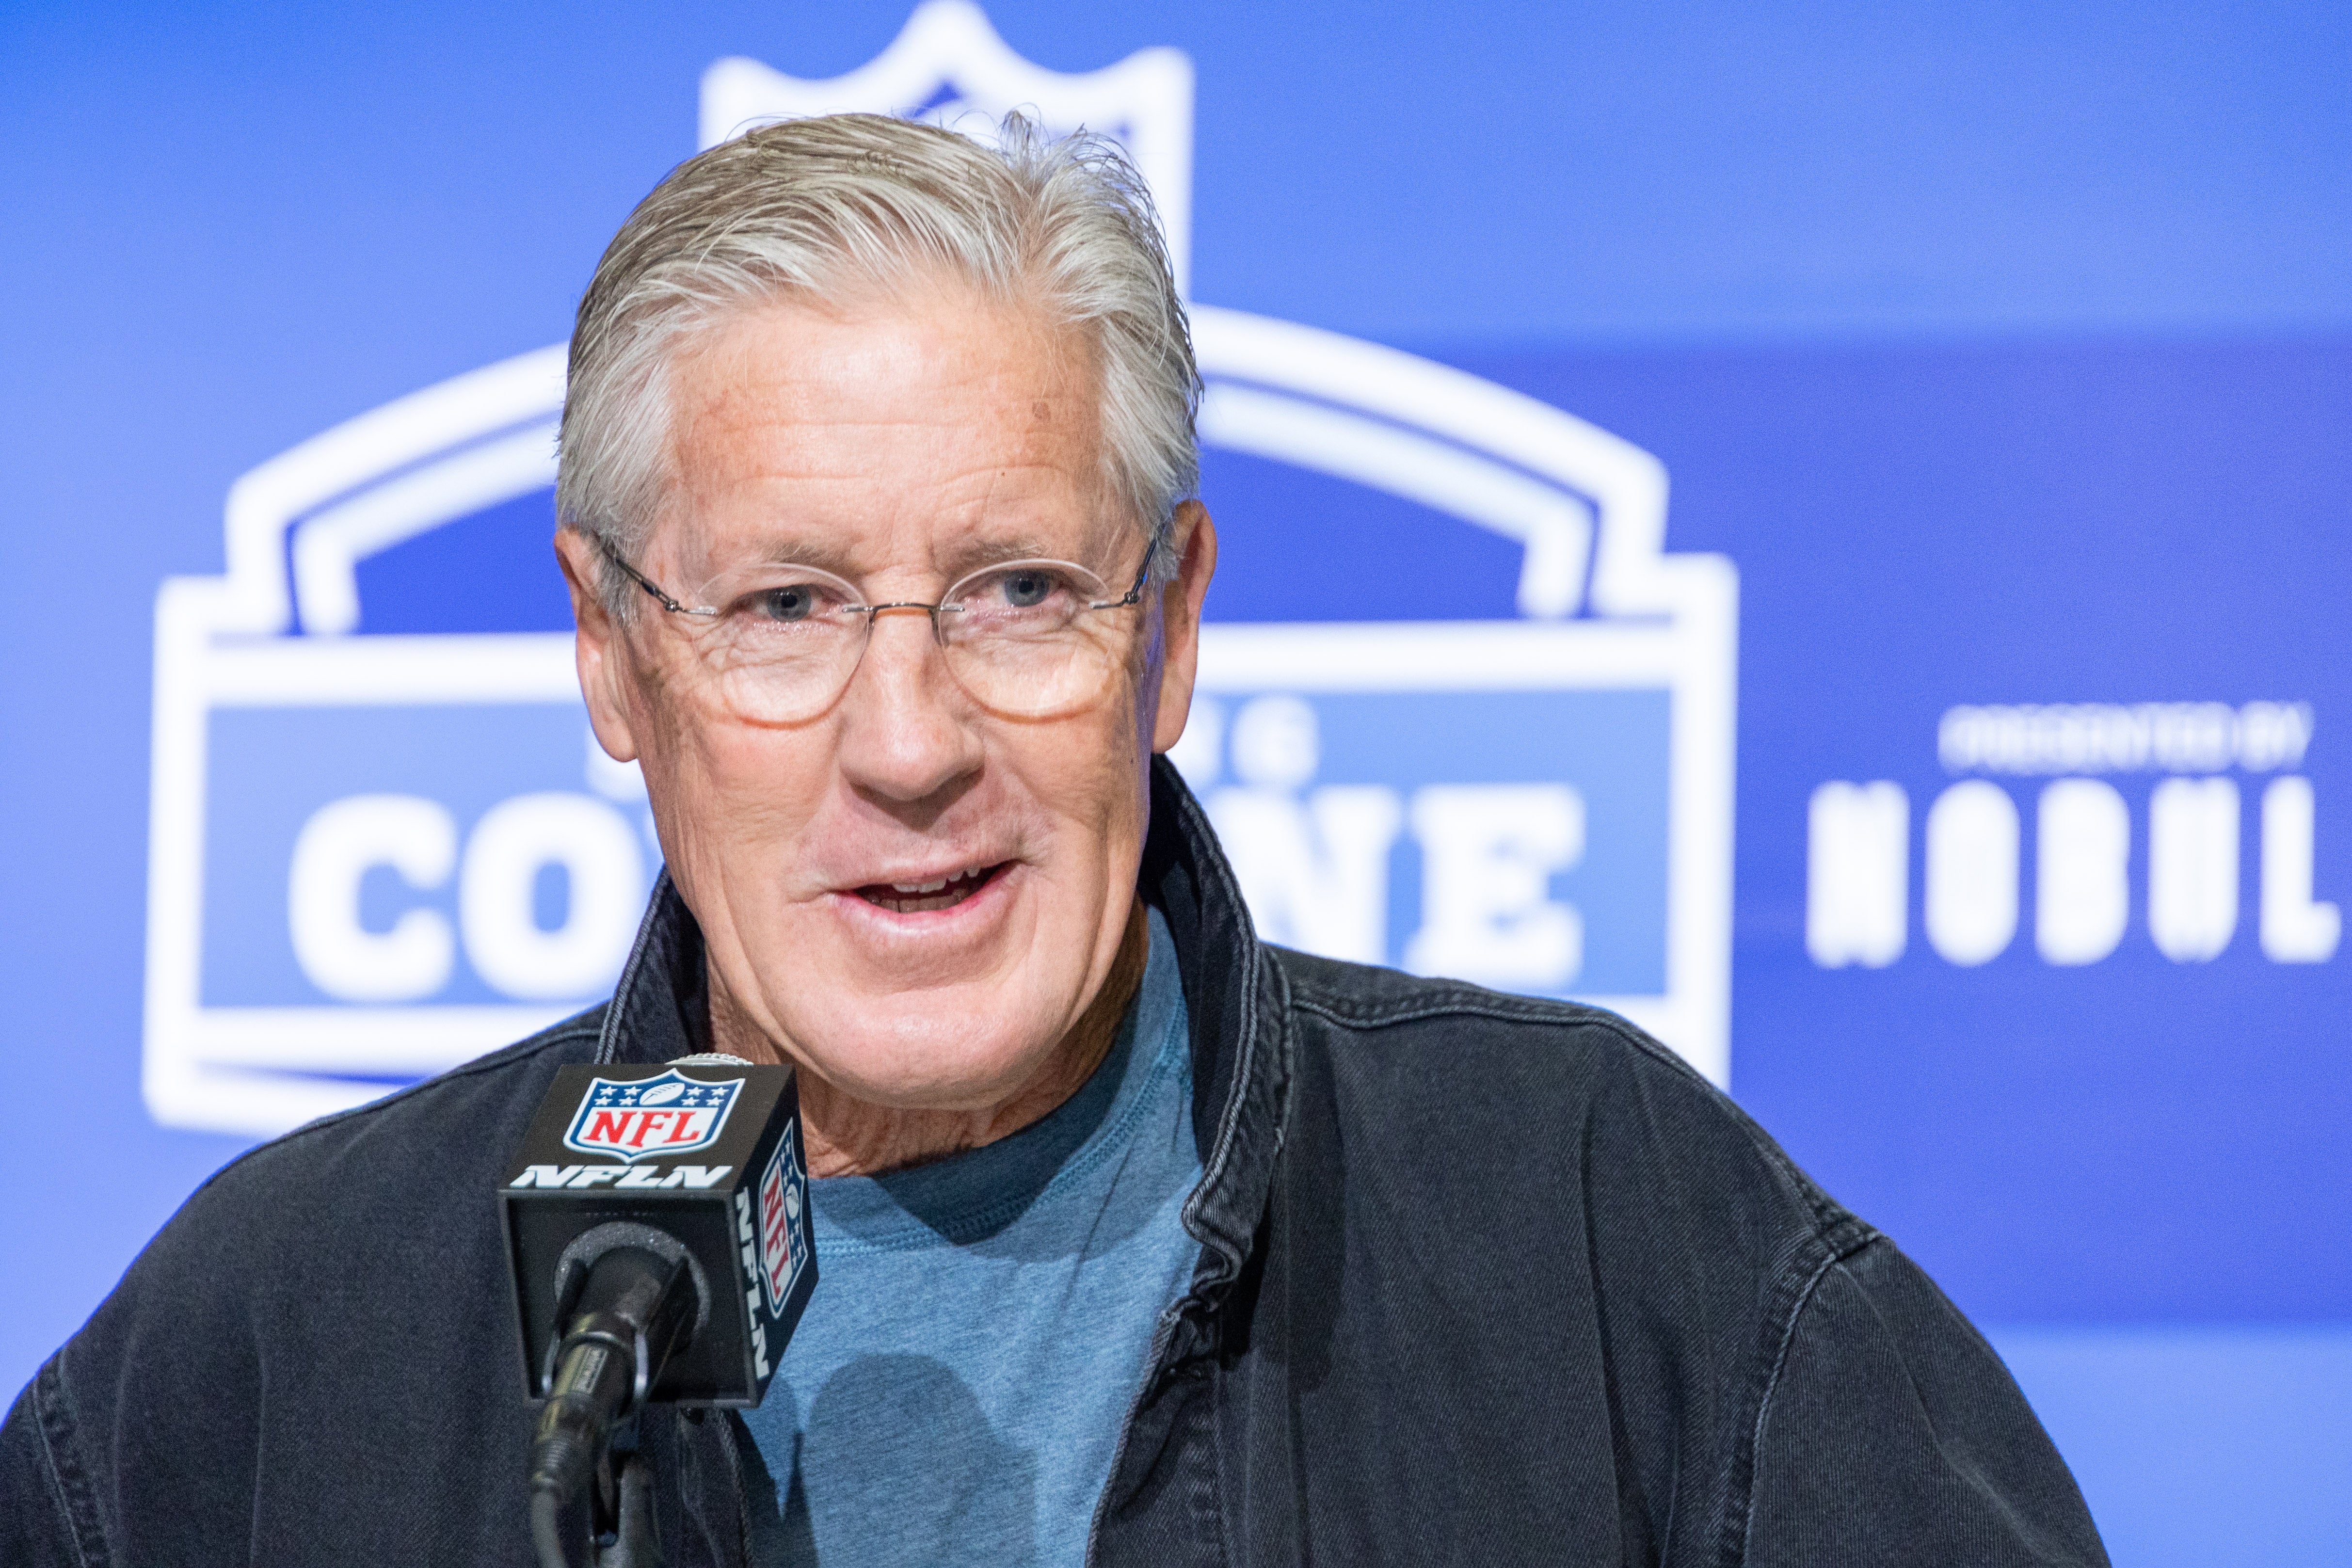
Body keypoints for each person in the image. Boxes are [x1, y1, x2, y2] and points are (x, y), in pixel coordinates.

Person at [1, 113, 2108, 1567]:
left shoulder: (1598, 1226)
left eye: (1016, 590)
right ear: (614, 658)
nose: (907, 742)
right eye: (785, 607)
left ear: (1169, 625)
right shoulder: (269, 1342)